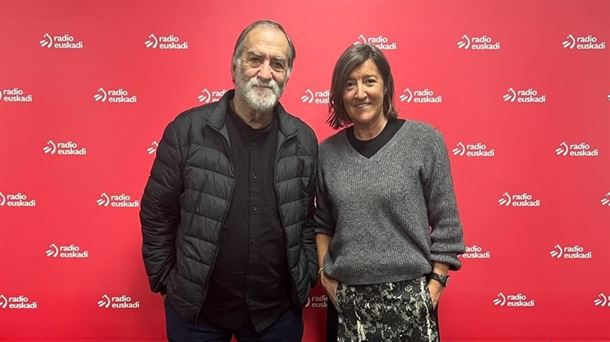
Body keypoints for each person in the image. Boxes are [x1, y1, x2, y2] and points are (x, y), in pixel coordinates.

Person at [140, 20, 318, 341]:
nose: (265, 73)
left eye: (277, 64)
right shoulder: (187, 131)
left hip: (275, 315)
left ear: (288, 74)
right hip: (199, 314)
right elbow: (157, 213)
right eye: (255, 59)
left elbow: (306, 220)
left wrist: (303, 278)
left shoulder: (303, 140)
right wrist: (168, 280)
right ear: (235, 65)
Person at [314, 43, 465, 342]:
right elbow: (322, 223)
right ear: (339, 95)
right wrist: (324, 276)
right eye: (349, 84)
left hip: (412, 297)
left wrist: (435, 284)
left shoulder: (424, 141)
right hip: (347, 302)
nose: (360, 92)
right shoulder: (326, 154)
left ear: (386, 86)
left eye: (369, 80)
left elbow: (447, 222)